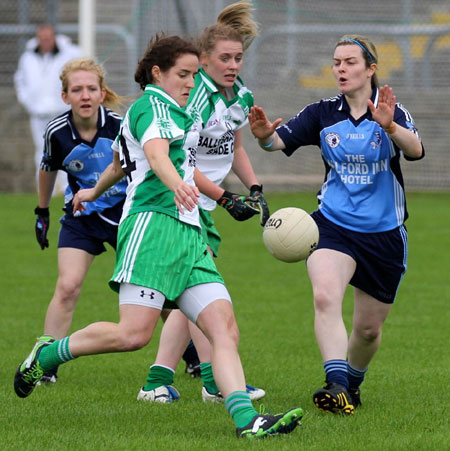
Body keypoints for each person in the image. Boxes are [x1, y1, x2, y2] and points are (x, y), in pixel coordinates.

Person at [14, 34, 303, 439]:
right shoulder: (151, 106)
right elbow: (155, 156)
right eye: (183, 74)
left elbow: (120, 163)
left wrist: (92, 191)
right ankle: (48, 355)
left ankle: (247, 421)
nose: (190, 82)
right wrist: (178, 185)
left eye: (194, 74)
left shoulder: (180, 111)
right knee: (132, 335)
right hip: (151, 226)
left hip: (189, 230)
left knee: (223, 327)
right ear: (157, 73)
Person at [248, 34, 424, 415]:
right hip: (332, 225)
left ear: (370, 69)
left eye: (350, 62)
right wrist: (263, 138)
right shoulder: (322, 112)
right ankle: (336, 383)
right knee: (325, 296)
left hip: (385, 235)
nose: (341, 69)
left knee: (368, 331)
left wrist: (391, 127)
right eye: (336, 62)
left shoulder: (391, 111)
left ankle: (352, 383)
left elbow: (416, 150)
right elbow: (277, 141)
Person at [137, 0, 270, 405]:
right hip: (182, 200)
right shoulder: (193, 98)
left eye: (238, 58)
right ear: (205, 60)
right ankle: (210, 382)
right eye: (224, 58)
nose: (232, 65)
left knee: (188, 293)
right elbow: (182, 161)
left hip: (202, 205)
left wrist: (255, 188)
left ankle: (162, 380)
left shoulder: (241, 95)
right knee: (195, 294)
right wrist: (224, 197)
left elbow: (236, 149)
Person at [31, 57, 128, 384]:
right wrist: (42, 212)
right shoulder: (56, 133)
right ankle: (44, 366)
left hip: (125, 216)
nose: (84, 95)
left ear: (102, 93)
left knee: (150, 288)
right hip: (81, 217)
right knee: (68, 286)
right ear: (65, 97)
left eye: (91, 88)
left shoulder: (120, 127)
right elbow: (47, 169)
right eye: (77, 90)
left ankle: (190, 357)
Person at [14, 24, 82, 194]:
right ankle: (46, 192)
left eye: (48, 38)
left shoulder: (70, 54)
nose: (45, 42)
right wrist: (28, 101)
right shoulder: (28, 57)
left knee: (67, 148)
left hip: (62, 112)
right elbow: (20, 81)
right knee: (42, 151)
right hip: (37, 114)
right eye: (42, 38)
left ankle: (69, 189)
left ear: (54, 38)